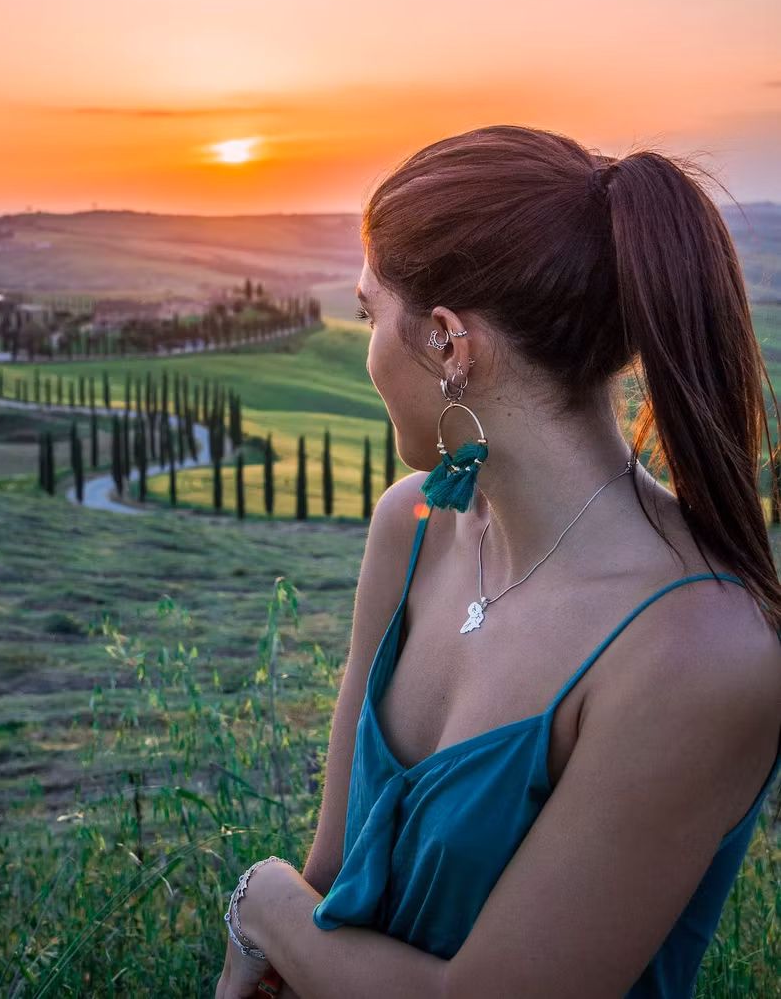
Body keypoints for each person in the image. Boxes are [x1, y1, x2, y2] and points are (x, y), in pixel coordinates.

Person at [216, 125, 781, 999]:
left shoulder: (703, 650)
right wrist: (294, 916)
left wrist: (261, 904)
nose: (367, 346)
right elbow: (331, 876)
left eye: (371, 314)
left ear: (450, 343)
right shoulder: (412, 529)